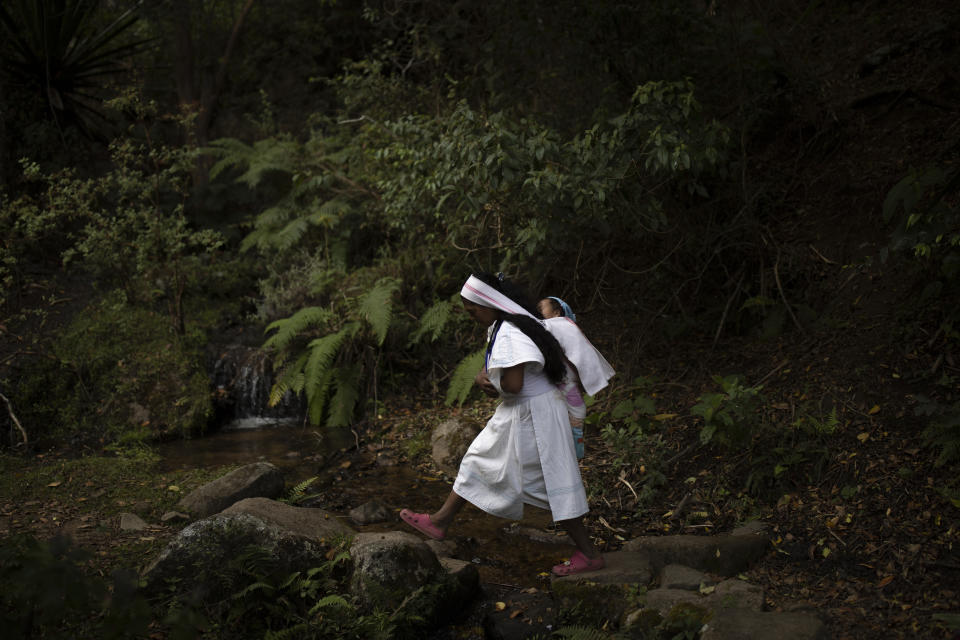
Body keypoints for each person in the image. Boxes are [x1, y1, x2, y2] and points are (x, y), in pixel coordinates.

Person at [400, 273, 605, 576]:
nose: (472, 317)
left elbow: (513, 384)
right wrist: (485, 375)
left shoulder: (510, 330)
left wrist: (488, 383)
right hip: (527, 411)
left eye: (473, 311)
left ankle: (589, 554)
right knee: (478, 461)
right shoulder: (507, 325)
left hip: (533, 415)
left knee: (552, 483)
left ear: (490, 303)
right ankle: (440, 521)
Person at [537, 296, 616, 459]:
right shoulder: (556, 326)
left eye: (541, 307)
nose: (537, 310)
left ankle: (575, 445)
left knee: (577, 410)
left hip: (564, 380)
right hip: (558, 379)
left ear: (556, 313)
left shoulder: (558, 324)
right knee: (573, 411)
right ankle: (573, 445)